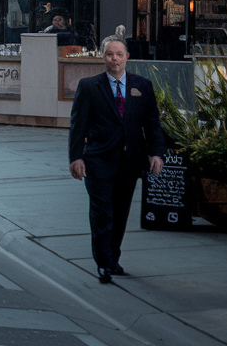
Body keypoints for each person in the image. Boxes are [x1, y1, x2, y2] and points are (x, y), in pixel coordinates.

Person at [69, 33, 165, 284]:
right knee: (102, 213)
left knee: (121, 213)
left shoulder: (142, 86)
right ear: (103, 57)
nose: (114, 59)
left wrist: (156, 153)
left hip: (129, 161)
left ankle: (113, 258)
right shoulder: (89, 86)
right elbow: (77, 126)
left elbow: (152, 124)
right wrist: (76, 158)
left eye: (119, 54)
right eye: (110, 54)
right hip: (98, 160)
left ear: (127, 57)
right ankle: (103, 263)